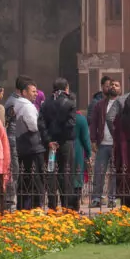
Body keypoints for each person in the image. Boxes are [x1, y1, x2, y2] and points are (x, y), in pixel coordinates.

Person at [39, 78, 78, 210]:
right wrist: (60, 140)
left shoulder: (45, 104)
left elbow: (41, 124)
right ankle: (66, 204)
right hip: (65, 143)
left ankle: (52, 204)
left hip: (50, 145)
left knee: (51, 172)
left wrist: (49, 141)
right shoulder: (70, 103)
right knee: (66, 172)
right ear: (66, 88)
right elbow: (71, 124)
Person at [9, 76, 46, 209]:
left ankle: (23, 207)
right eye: (33, 91)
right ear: (24, 92)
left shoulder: (15, 102)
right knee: (35, 180)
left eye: (36, 92)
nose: (36, 94)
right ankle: (36, 208)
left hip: (22, 146)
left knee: (24, 179)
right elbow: (34, 126)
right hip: (32, 147)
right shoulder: (28, 106)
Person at [89, 76, 120, 207]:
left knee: (114, 172)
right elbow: (94, 122)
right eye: (111, 85)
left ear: (120, 89)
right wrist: (93, 140)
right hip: (102, 143)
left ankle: (112, 198)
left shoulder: (122, 104)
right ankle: (96, 198)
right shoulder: (100, 105)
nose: (113, 87)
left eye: (116, 85)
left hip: (116, 144)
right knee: (99, 172)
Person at [72, 107, 92, 209]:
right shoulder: (80, 119)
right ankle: (75, 205)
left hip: (60, 149)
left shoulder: (57, 116)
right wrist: (89, 154)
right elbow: (85, 138)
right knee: (77, 178)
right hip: (77, 150)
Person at [4, 101, 19, 211]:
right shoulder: (11, 124)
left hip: (11, 144)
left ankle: (9, 198)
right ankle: (9, 199)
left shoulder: (11, 124)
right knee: (14, 171)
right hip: (12, 145)